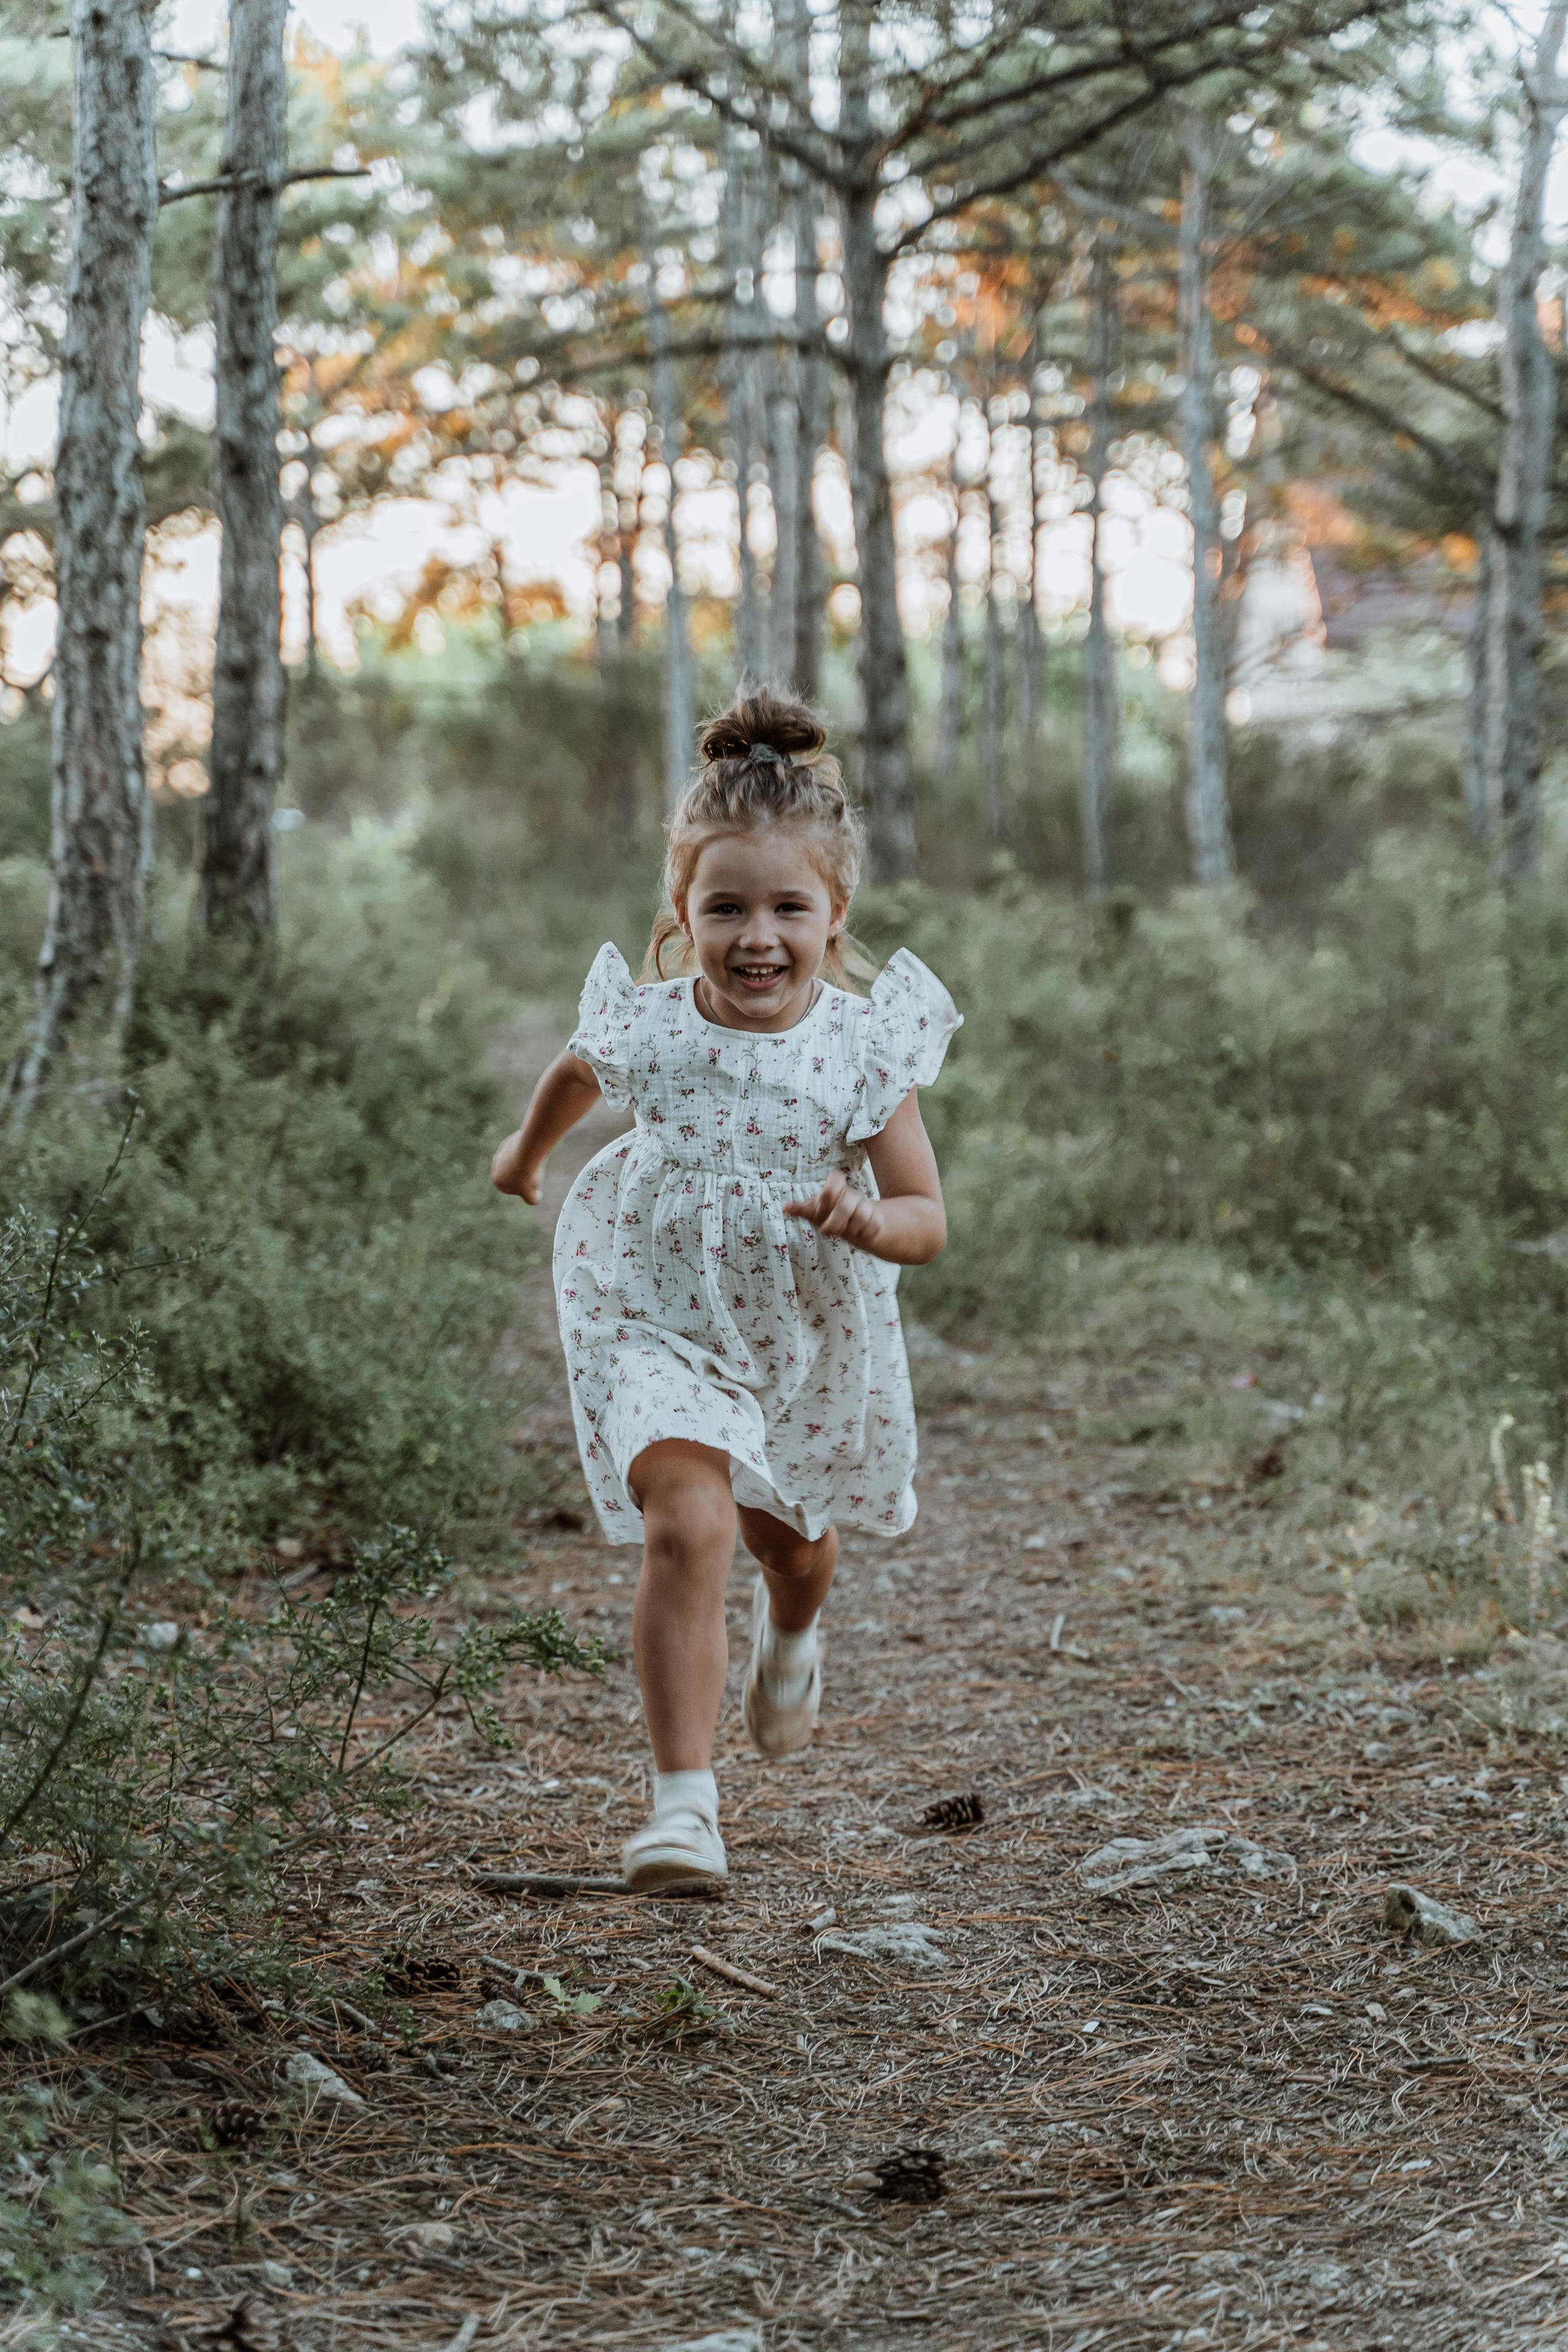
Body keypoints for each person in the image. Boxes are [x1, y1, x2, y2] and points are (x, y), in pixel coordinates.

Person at [490, 686, 960, 1890]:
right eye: (726, 908)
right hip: (659, 1317)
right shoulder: (655, 1026)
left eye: (787, 908)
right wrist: (525, 1155)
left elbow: (927, 1217)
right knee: (687, 1526)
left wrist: (866, 1217)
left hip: (799, 1335)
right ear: (681, 913)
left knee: (791, 1548)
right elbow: (574, 1070)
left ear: (834, 911)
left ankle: (792, 1638)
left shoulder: (861, 1047)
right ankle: (683, 1808)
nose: (758, 936)